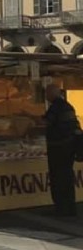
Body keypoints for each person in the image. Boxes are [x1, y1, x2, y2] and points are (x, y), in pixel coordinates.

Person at [44, 83, 81, 217]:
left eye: (47, 93)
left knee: (58, 178)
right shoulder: (68, 106)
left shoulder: (56, 107)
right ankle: (70, 207)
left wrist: (31, 121)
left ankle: (60, 208)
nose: (46, 96)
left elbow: (46, 123)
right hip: (69, 148)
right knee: (67, 177)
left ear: (54, 93)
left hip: (58, 148)